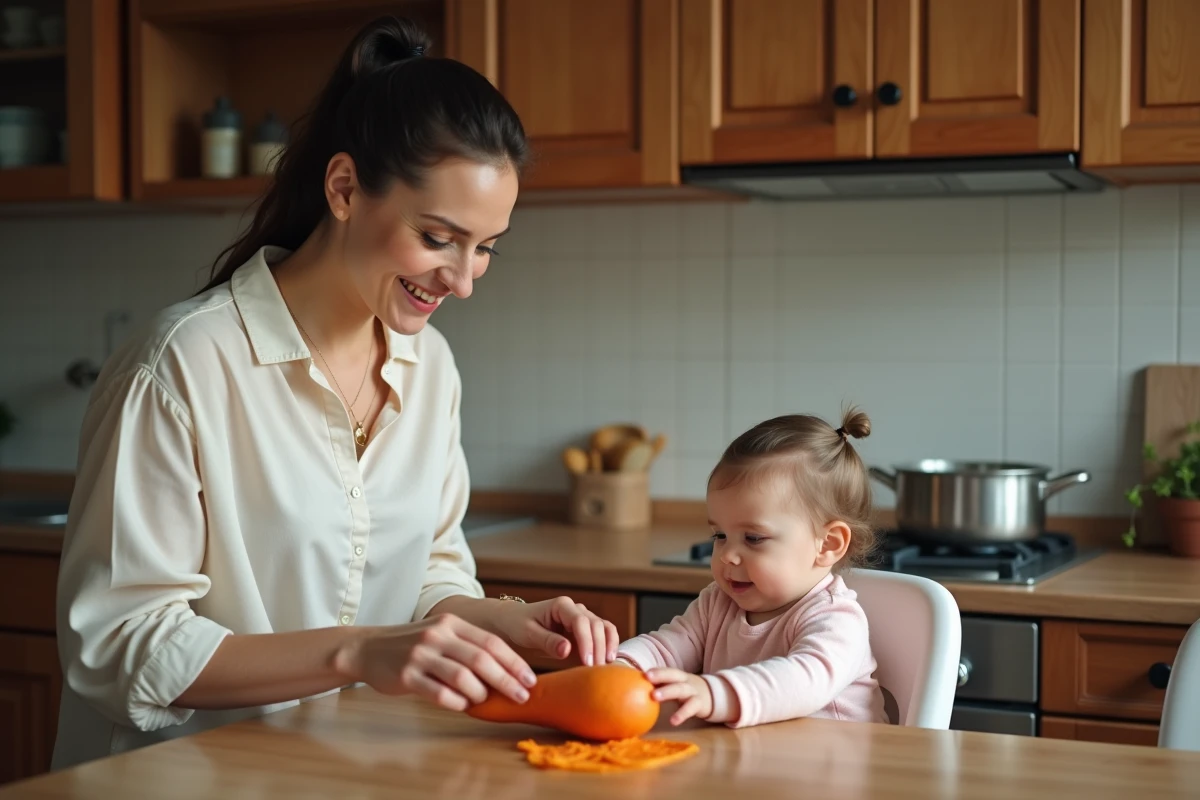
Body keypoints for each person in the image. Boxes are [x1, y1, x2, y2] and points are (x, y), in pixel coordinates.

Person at [52, 16, 621, 770]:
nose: (463, 280)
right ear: (345, 188)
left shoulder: (431, 367)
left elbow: (430, 572)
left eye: (485, 248)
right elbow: (119, 642)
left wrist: (499, 622)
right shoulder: (181, 364)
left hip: (344, 768)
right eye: (438, 238)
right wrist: (360, 652)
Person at [614, 409, 889, 728]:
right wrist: (622, 667)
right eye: (720, 535)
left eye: (754, 538)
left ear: (827, 544)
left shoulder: (836, 620)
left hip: (832, 770)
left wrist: (715, 693)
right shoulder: (716, 604)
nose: (728, 555)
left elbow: (801, 682)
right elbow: (666, 647)